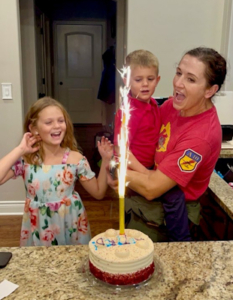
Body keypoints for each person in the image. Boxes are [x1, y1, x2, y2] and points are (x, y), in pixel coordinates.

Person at [110, 47, 227, 242]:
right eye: (179, 73)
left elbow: (152, 188)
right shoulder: (171, 106)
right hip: (139, 202)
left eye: (190, 79)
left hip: (164, 220)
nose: (178, 84)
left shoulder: (200, 137)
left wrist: (116, 173)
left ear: (210, 90)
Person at [0, 97, 113, 246]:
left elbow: (98, 193)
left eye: (61, 120)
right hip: (39, 228)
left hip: (71, 225)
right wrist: (20, 150)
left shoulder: (75, 159)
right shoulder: (27, 160)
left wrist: (105, 160)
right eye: (49, 122)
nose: (57, 126)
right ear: (34, 128)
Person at [114, 49, 161, 170]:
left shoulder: (155, 104)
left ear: (157, 80)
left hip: (151, 167)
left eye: (150, 79)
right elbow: (120, 148)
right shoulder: (128, 113)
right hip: (134, 170)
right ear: (127, 81)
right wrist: (146, 174)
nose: (145, 84)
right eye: (138, 80)